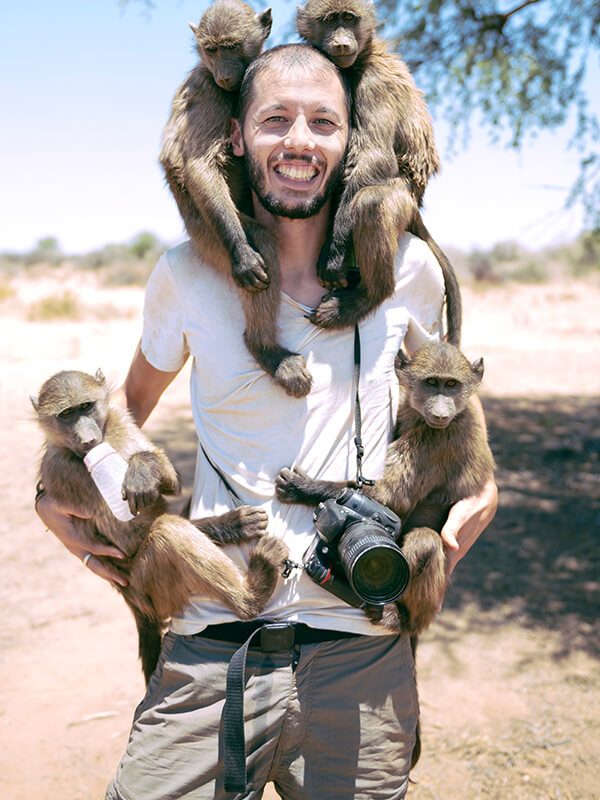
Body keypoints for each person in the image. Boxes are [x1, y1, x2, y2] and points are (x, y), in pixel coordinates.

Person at [36, 44, 498, 799]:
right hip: (213, 645)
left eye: (324, 122)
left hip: (360, 646)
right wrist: (56, 502)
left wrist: (480, 500)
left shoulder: (408, 269)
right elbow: (120, 420)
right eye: (276, 119)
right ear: (237, 137)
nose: (300, 141)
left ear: (351, 142)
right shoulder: (185, 271)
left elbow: (452, 420)